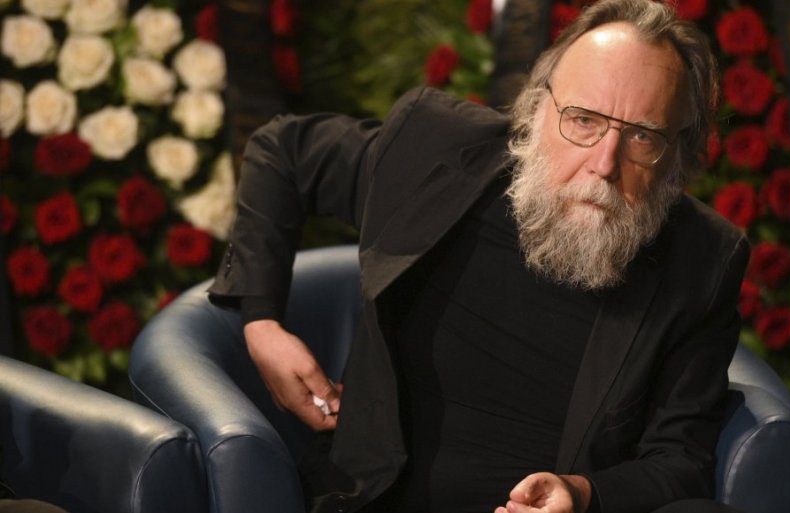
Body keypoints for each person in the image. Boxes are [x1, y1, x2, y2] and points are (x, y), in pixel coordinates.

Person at [208, 1, 750, 512]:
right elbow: (283, 151)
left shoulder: (703, 261)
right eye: (583, 120)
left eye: (642, 137)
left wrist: (581, 492)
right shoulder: (436, 151)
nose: (604, 163)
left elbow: (681, 460)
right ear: (538, 109)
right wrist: (261, 322)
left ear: (678, 153)